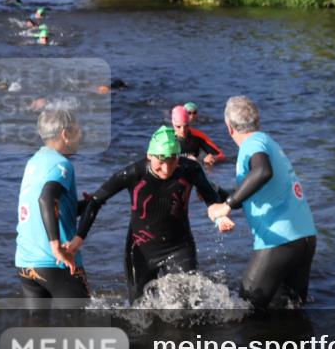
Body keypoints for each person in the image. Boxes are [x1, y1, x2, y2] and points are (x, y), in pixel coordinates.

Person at [75, 126, 233, 302]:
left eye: (172, 160)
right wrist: (78, 240)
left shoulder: (191, 169)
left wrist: (219, 216)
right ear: (149, 155)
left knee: (188, 303)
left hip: (179, 247)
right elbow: (95, 201)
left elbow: (211, 201)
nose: (166, 169)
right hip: (141, 251)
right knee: (139, 309)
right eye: (161, 161)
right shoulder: (133, 173)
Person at [206, 96, 317, 309]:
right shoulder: (267, 141)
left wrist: (227, 205)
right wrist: (218, 193)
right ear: (258, 120)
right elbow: (256, 189)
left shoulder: (252, 144)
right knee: (291, 311)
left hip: (279, 241)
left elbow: (263, 172)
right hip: (305, 237)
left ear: (229, 127)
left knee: (245, 307)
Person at [15, 108, 89, 300]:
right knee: (83, 319)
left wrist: (87, 205)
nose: (81, 134)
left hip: (26, 263)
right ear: (65, 134)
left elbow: (47, 208)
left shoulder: (34, 162)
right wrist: (56, 247)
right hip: (55, 262)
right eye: (77, 130)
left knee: (38, 321)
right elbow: (46, 199)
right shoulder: (61, 164)